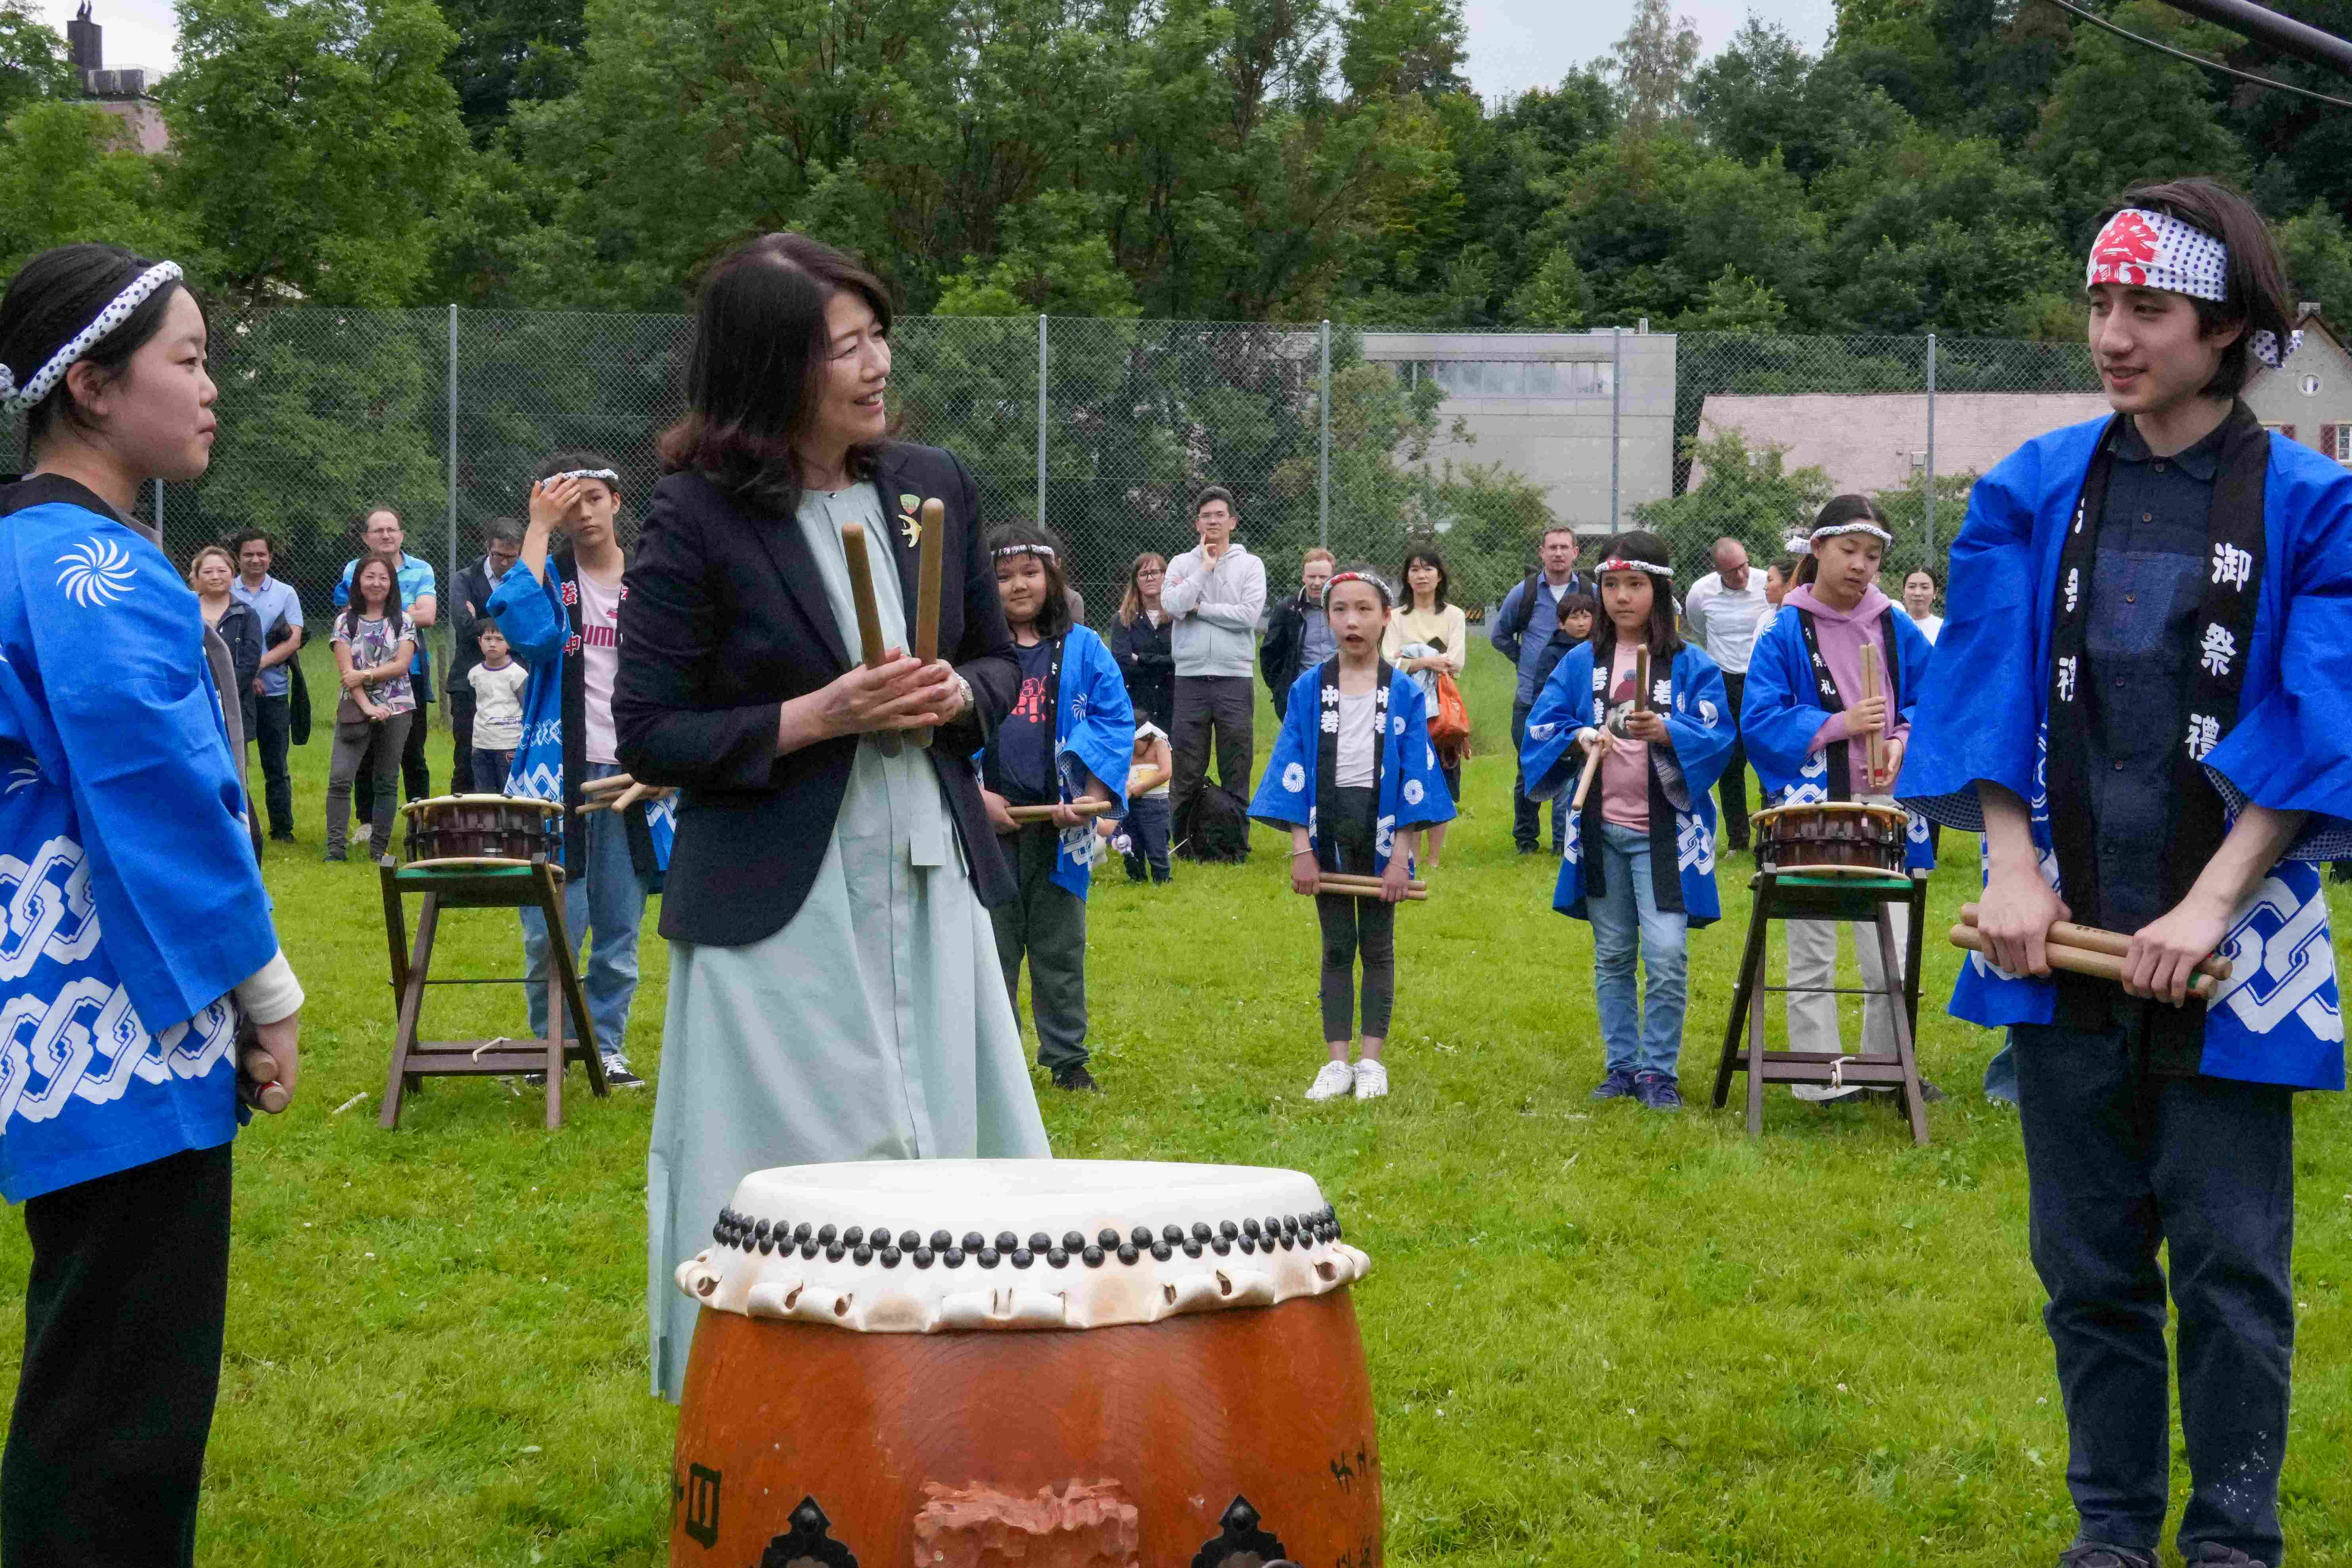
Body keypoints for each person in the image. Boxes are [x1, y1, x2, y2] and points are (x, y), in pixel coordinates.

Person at [1899, 178, 2352, 1568]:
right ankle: (2110, 1533)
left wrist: (2210, 899)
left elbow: (2325, 702)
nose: (2112, 333)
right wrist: (2016, 865)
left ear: (2227, 328)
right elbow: (1982, 680)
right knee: (2087, 1265)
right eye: (2099, 303)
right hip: (2058, 939)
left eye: (2145, 308)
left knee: (2229, 1266)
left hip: (2238, 941)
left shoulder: (2316, 503)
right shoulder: (2031, 488)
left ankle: (2230, 1535)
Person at [614, 232, 1048, 1403]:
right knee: (791, 1170)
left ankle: (965, 1402)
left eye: (877, 335)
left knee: (953, 1151)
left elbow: (997, 666)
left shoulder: (932, 483)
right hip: (776, 910)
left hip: (928, 875)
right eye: (842, 346)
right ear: (769, 370)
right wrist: (818, 713)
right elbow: (647, 730)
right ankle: (782, 1412)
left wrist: (959, 693)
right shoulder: (698, 514)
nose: (875, 363)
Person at [0, 242, 302, 1564]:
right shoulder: (96, 569)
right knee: (122, 1409)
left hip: (46, 1025)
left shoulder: (25, 551)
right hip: (123, 1021)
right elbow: (167, 799)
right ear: (91, 386)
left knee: (83, 1370)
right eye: (186, 359)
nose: (210, 385)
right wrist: (268, 990)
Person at [1520, 532, 1735, 1112]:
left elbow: (1719, 737)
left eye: (1635, 585)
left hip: (1663, 835)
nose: (1621, 597)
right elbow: (1542, 728)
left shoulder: (1691, 666)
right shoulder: (1578, 662)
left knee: (1665, 952)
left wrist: (1670, 731)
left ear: (1659, 591)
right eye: (1611, 584)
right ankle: (1622, 1064)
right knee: (1613, 953)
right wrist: (1579, 735)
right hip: (1599, 830)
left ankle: (1658, 1070)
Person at [1741, 497, 1940, 1101]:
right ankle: (1817, 1076)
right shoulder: (1784, 628)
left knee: (1895, 951)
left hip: (1885, 802)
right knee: (1813, 943)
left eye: (1873, 555)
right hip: (1813, 807)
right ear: (1818, 549)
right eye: (1849, 550)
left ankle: (1885, 1067)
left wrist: (1904, 737)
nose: (1861, 565)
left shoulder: (1894, 624)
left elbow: (1933, 699)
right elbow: (1759, 719)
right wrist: (1841, 722)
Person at [487, 451, 669, 1092]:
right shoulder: (554, 582)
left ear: (617, 504)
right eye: (570, 504)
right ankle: (551, 1048)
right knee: (549, 928)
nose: (584, 512)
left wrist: (671, 757)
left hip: (633, 779)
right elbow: (529, 636)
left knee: (618, 924)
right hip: (552, 775)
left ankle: (608, 1048)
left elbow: (686, 668)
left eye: (595, 497)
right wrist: (535, 531)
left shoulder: (652, 584)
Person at [1250, 568, 1456, 1103]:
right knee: (1337, 945)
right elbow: (1291, 767)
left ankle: (1371, 1061)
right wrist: (1301, 850)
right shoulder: (1308, 688)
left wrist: (1401, 858)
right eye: (1340, 609)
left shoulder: (1405, 691)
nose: (1352, 620)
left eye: (1365, 609)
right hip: (1329, 828)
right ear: (1328, 617)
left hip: (1384, 830)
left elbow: (1416, 775)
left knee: (1379, 947)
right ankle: (1337, 1062)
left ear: (1386, 616)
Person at [978, 523, 1134, 1093]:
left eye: (1029, 572)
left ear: (1052, 576)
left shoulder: (1086, 647)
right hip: (989, 826)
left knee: (1059, 946)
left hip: (1059, 829)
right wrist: (976, 798)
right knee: (989, 950)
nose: (1017, 586)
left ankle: (1067, 1058)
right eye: (1002, 576)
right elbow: (943, 730)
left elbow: (1114, 720)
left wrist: (1087, 792)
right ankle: (994, 1066)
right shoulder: (972, 652)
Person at [1162, 485, 1266, 854]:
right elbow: (1174, 605)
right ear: (1197, 524)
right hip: (1190, 678)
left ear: (1233, 522)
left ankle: (1234, 842)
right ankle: (1184, 842)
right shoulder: (1181, 563)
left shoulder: (1250, 565)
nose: (1213, 521)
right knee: (1187, 765)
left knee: (1236, 762)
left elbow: (1248, 617)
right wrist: (1203, 570)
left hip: (1234, 678)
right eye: (1206, 516)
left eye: (1220, 515)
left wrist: (1201, 608)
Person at [1491, 525, 1596, 854]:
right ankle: (1525, 840)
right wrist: (1526, 661)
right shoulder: (1524, 593)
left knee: (1574, 771)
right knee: (1530, 768)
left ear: (1576, 553)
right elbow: (1500, 635)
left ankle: (1565, 840)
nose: (1559, 553)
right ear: (1542, 552)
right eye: (1552, 547)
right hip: (1531, 700)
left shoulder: (1591, 591)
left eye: (1566, 547)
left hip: (1580, 704)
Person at [331, 506, 437, 831]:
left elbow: (429, 617)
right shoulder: (353, 568)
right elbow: (355, 611)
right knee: (363, 752)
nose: (386, 535)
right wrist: (407, 610)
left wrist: (394, 612)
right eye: (378, 530)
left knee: (413, 753)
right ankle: (367, 823)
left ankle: (420, 822)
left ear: (402, 534)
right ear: (366, 537)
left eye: (392, 529)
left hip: (409, 676)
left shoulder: (422, 569)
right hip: (361, 674)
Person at [1681, 535, 1773, 855]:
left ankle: (1770, 836)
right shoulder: (1700, 593)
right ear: (1718, 570)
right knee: (1730, 762)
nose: (1742, 575)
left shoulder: (1767, 585)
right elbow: (1699, 629)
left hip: (1762, 681)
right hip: (1723, 682)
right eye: (1733, 570)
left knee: (1766, 757)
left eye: (1745, 565)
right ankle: (1738, 840)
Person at [325, 553, 418, 862]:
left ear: (392, 584)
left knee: (386, 780)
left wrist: (366, 675)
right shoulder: (345, 622)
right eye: (370, 577)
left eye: (383, 578)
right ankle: (335, 850)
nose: (377, 583)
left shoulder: (404, 621)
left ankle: (379, 850)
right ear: (359, 582)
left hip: (398, 708)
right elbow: (345, 673)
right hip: (354, 707)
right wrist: (367, 706)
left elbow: (402, 664)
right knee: (340, 778)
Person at [1383, 546, 1468, 869]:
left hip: (1445, 709)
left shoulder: (1455, 615)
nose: (1422, 575)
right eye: (1415, 569)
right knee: (1410, 776)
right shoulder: (1395, 616)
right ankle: (1410, 854)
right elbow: (1389, 661)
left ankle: (1433, 859)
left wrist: (1413, 659)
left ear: (1440, 575)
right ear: (1407, 576)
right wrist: (1428, 660)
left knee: (1444, 779)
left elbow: (1456, 662)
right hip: (1405, 706)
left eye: (1428, 569)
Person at [228, 528, 303, 844]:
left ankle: (282, 830)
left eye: (262, 554)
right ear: (238, 557)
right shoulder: (226, 589)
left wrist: (255, 667)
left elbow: (294, 640)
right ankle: (238, 824)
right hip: (234, 693)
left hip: (274, 691)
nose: (256, 559)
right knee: (234, 762)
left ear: (270, 557)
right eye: (249, 554)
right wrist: (245, 677)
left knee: (277, 764)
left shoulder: (285, 593)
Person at [190, 544, 264, 857]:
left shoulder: (246, 614)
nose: (216, 576)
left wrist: (223, 692)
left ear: (233, 575)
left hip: (233, 713)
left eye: (222, 570)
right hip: (193, 709)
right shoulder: (184, 612)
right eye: (208, 571)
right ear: (195, 578)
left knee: (234, 773)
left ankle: (247, 837)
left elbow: (249, 662)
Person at [446, 515, 523, 793]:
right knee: (467, 758)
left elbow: (532, 627)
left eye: (512, 557)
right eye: (498, 555)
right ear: (487, 548)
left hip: (515, 684)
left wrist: (483, 620)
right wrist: (510, 625)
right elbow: (464, 627)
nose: (504, 563)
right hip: (469, 684)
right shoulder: (464, 579)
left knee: (513, 757)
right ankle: (463, 826)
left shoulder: (527, 578)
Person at [1259, 546, 1336, 720]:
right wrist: (1280, 689)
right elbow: (1269, 654)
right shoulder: (1288, 609)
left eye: (1323, 577)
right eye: (1312, 577)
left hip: (1342, 689)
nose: (1317, 583)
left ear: (1333, 578)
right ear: (1303, 577)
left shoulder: (1345, 608)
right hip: (1302, 690)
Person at [1109, 551, 1174, 732]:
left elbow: (1182, 661)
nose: (1150, 578)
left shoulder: (1179, 618)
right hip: (1136, 704)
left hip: (1172, 704)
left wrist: (1141, 659)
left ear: (1165, 576)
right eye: (1144, 574)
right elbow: (1122, 663)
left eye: (1155, 572)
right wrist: (1165, 662)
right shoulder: (1123, 620)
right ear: (1137, 580)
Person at [467, 620, 527, 789]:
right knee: (484, 794)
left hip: (509, 744)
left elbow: (526, 707)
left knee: (509, 793)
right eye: (488, 639)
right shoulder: (475, 674)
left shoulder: (517, 674)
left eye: (499, 639)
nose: (493, 644)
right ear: (480, 642)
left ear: (509, 643)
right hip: (481, 744)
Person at [1114, 719, 1174, 884]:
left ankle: (1162, 879)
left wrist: (1142, 788)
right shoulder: (1126, 749)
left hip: (1155, 806)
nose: (1132, 747)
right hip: (1130, 804)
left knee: (1156, 844)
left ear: (1146, 738)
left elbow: (1166, 772)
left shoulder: (1160, 745)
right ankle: (1137, 878)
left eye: (1135, 743)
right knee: (1131, 844)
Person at [1900, 566, 1944, 642]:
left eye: (1925, 588)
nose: (1917, 593)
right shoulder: (1892, 627)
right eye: (1912, 587)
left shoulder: (1943, 630)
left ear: (1935, 593)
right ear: (1904, 591)